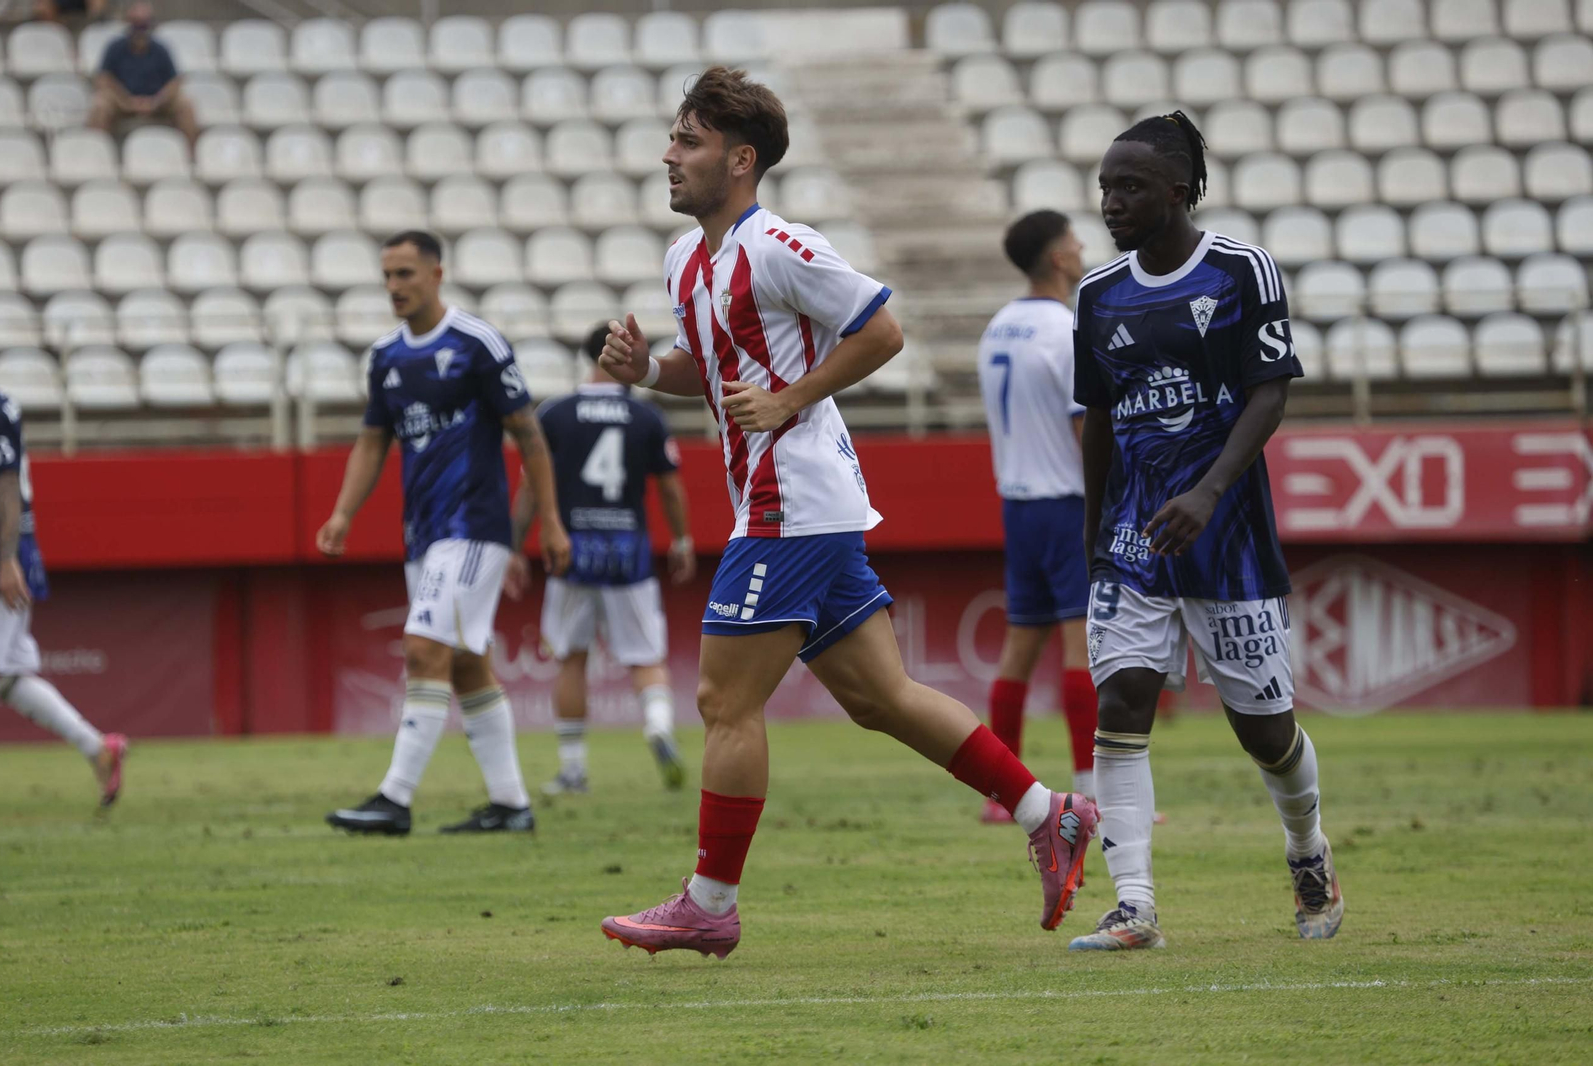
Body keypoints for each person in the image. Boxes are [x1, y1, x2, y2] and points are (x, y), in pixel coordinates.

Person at [596, 67, 1096, 960]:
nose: (669, 155)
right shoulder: (689, 260)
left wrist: (789, 399)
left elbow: (882, 329)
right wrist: (642, 369)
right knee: (883, 698)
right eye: (674, 137)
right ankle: (1047, 813)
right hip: (793, 502)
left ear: (740, 160)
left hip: (790, 504)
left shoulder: (781, 245)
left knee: (722, 699)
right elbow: (701, 369)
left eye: (689, 140)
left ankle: (710, 902)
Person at [1067, 112, 1342, 951]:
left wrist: (1211, 490)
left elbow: (1269, 393)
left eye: (1131, 186)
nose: (1112, 201)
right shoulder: (1097, 294)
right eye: (1106, 186)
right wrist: (1093, 530)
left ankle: (1308, 851)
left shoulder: (1239, 272)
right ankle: (1135, 905)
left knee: (1263, 729)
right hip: (1132, 535)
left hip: (1226, 535)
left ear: (1178, 190)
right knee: (1120, 702)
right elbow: (1102, 420)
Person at [320, 230, 571, 836]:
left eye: (405, 274)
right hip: (424, 532)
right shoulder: (386, 356)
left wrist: (550, 524)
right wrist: (342, 513)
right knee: (464, 664)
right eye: (387, 276)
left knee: (423, 649)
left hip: (474, 528)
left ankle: (395, 799)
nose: (394, 287)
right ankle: (511, 805)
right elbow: (374, 440)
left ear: (436, 273)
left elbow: (529, 435)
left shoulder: (476, 343)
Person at [530, 324, 697, 795]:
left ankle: (573, 769)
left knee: (570, 657)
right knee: (646, 657)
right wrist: (682, 540)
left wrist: (516, 544)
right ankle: (659, 725)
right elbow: (668, 486)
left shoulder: (555, 413)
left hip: (572, 549)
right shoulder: (646, 418)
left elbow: (529, 485)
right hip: (629, 551)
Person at [974, 210, 1098, 826]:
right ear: (1058, 258)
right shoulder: (1065, 330)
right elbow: (1086, 429)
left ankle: (1001, 793)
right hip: (1065, 503)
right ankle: (1089, 789)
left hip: (1017, 502)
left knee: (1020, 646)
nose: (1082, 249)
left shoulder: (998, 328)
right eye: (1074, 241)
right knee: (1083, 644)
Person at [0, 389, 126, 806]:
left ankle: (97, 748)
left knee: (1, 674)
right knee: (6, 676)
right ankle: (98, 748)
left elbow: (7, 483)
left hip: (0, 553)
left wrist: (7, 559)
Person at [87, 3, 198, 147]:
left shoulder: (161, 49)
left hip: (157, 103)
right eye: (136, 24)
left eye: (144, 24)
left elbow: (175, 81)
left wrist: (156, 101)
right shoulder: (115, 48)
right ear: (128, 23)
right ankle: (96, 151)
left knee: (186, 105)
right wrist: (126, 101)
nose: (140, 29)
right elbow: (103, 79)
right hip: (122, 102)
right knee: (100, 105)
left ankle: (190, 156)